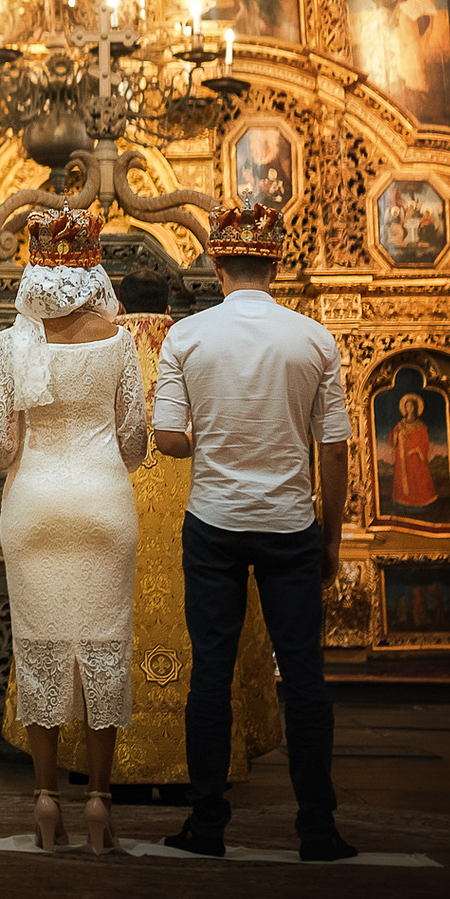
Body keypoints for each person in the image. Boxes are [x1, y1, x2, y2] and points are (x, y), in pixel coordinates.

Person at [152, 201, 358, 862]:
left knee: (211, 673)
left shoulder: (186, 337)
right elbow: (333, 448)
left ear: (217, 264)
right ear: (277, 264)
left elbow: (168, 438)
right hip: (292, 525)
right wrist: (331, 538)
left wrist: (208, 437)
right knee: (303, 675)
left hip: (213, 522)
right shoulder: (314, 339)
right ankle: (318, 830)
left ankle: (207, 824)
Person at [0, 206, 148, 854]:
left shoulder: (15, 343)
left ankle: (46, 799)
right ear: (93, 271)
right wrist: (99, 453)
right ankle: (99, 802)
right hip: (104, 501)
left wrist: (31, 440)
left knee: (41, 648)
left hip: (35, 505)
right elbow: (135, 440)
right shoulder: (120, 341)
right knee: (104, 647)